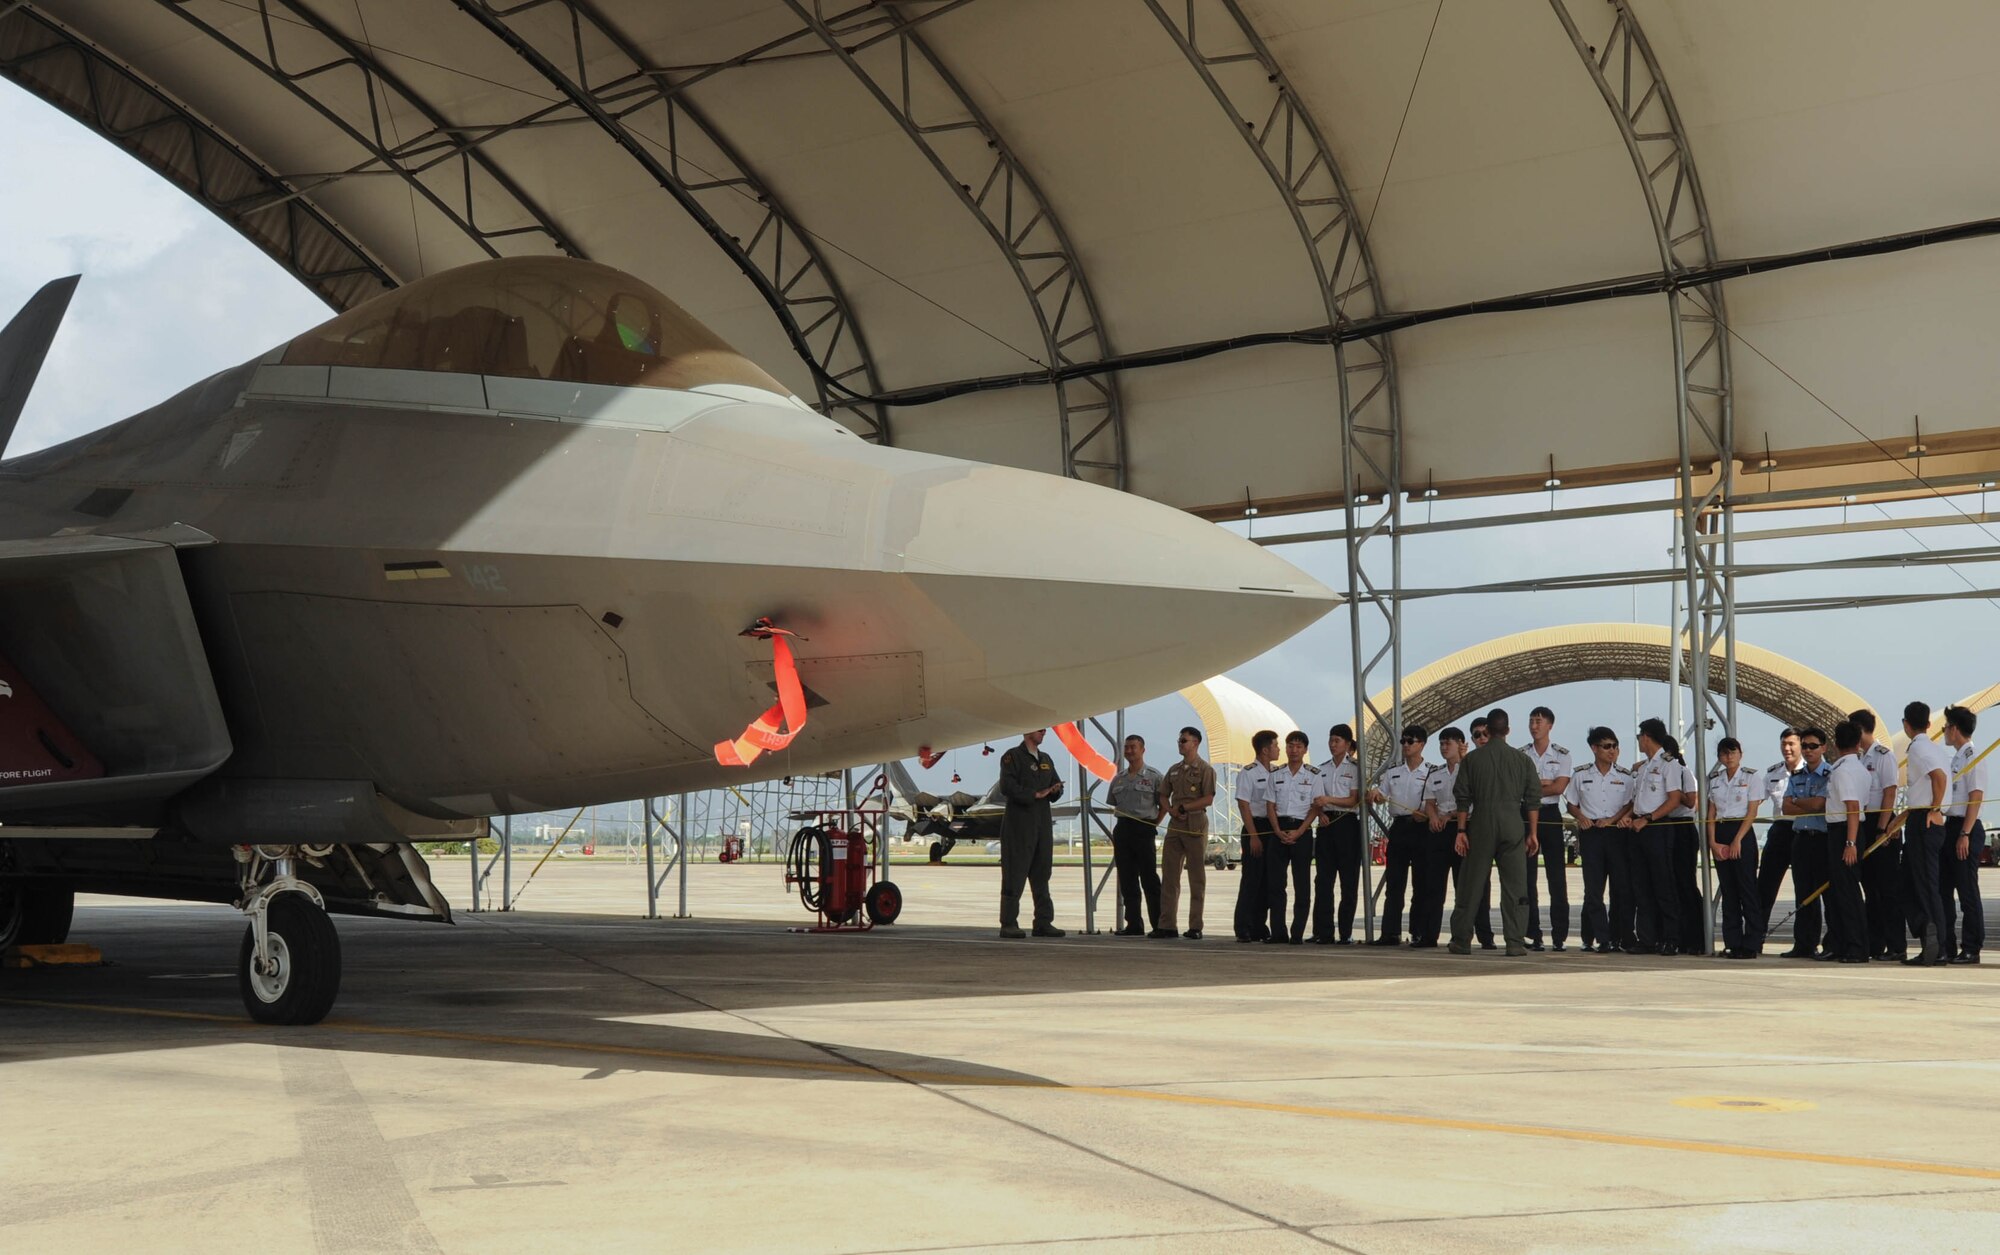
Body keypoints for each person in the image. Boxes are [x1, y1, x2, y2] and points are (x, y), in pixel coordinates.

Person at [1448, 708, 1542, 956]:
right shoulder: (1522, 760)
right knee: (1515, 886)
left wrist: (1460, 830)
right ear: (1508, 730)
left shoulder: (1472, 760)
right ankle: (1515, 942)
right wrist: (1532, 833)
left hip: (1481, 823)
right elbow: (1533, 800)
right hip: (1513, 823)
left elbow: (1462, 799)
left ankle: (1461, 940)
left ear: (1487, 731)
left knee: (1471, 883)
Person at [1563, 726, 1634, 953]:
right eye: (1606, 746)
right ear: (1594, 748)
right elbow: (1571, 803)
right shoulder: (1581, 775)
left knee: (1620, 888)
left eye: (1614, 746)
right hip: (1592, 833)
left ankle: (1617, 936)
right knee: (1593, 889)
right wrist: (1581, 817)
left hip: (1616, 834)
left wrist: (1613, 819)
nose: (1611, 751)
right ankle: (1596, 937)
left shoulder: (1624, 776)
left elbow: (1630, 804)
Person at [998, 729, 1065, 938]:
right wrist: (1033, 794)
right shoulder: (1012, 757)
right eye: (1040, 729)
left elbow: (1056, 782)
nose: (1044, 732)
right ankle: (1008, 922)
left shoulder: (1046, 759)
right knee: (1015, 873)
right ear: (1028, 732)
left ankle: (1043, 922)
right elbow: (1006, 786)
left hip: (1042, 822)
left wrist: (1055, 790)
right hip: (1019, 823)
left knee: (1042, 871)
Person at [1624, 718, 1683, 956]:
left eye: (1640, 736)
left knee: (1663, 885)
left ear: (1646, 736)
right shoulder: (1643, 766)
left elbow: (1674, 799)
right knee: (1641, 886)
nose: (1638, 740)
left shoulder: (1669, 764)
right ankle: (1647, 938)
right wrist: (1631, 817)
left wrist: (1647, 818)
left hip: (1657, 828)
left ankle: (1671, 938)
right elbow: (1637, 799)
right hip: (1637, 829)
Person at [1368, 724, 1432, 946]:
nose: (1405, 745)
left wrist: (1425, 813)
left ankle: (1418, 932)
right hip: (1399, 828)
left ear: (1422, 744)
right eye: (1403, 741)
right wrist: (1376, 795)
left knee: (1421, 884)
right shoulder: (1392, 772)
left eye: (1410, 741)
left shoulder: (1431, 772)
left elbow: (1436, 801)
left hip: (1422, 829)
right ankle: (1390, 932)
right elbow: (1381, 794)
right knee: (1395, 882)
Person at [1898, 701, 1951, 966]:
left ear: (1906, 724)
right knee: (1911, 882)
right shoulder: (1934, 747)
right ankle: (1928, 935)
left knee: (1925, 885)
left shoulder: (1918, 747)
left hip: (1925, 821)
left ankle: (1936, 945)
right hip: (1919, 816)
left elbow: (1939, 778)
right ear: (1929, 725)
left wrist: (1934, 809)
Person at [1851, 708, 1903, 960]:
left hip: (1881, 822)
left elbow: (1890, 792)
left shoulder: (1884, 756)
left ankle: (1896, 945)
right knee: (1870, 889)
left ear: (1860, 730)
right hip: (1864, 821)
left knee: (1888, 890)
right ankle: (1875, 942)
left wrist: (1883, 828)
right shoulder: (1860, 758)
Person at [1707, 736, 1764, 959]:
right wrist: (1712, 842)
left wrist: (1738, 839)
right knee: (1729, 891)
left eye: (1732, 752)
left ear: (1740, 754)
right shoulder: (1715, 780)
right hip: (1721, 830)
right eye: (1724, 753)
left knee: (1747, 889)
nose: (1728, 757)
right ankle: (1732, 941)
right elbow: (1711, 813)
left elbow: (1752, 812)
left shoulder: (1751, 777)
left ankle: (1751, 942)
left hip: (1742, 831)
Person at [1157, 726, 1216, 940]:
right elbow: (1163, 794)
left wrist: (1185, 808)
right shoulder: (1174, 770)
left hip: (1195, 822)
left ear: (1195, 743)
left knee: (1196, 877)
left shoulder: (1205, 769)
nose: (1180, 744)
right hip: (1175, 824)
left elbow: (1208, 798)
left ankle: (1195, 926)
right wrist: (1171, 809)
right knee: (1170, 876)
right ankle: (1167, 925)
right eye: (1179, 740)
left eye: (1184, 740)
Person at [1522, 706, 1574, 951]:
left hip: (1551, 815)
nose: (1534, 726)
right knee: (1527, 878)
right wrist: (1544, 784)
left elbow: (1559, 788)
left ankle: (1559, 935)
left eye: (1539, 721)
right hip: (1525, 814)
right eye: (1532, 721)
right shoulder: (1521, 754)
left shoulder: (1562, 755)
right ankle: (1533, 933)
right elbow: (1519, 789)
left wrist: (1537, 786)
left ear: (1550, 725)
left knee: (1557, 878)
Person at [1821, 720, 1872, 963]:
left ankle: (1856, 947)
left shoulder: (1843, 771)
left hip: (1844, 831)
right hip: (1847, 829)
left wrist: (1850, 843)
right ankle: (1845, 943)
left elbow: (1852, 807)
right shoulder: (1858, 768)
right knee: (1843, 892)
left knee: (1848, 893)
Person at [1106, 734, 1165, 938]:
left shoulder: (1154, 776)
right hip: (1123, 829)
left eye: (1134, 747)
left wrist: (1153, 824)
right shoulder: (1119, 778)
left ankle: (1159, 923)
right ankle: (1133, 924)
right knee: (1127, 878)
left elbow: (1164, 804)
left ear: (1143, 750)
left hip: (1144, 828)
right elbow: (1113, 801)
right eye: (1127, 747)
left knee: (1149, 878)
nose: (1130, 751)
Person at [1413, 726, 1467, 948]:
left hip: (1461, 828)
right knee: (1433, 886)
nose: (1444, 748)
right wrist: (1434, 817)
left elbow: (1471, 802)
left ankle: (1460, 935)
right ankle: (1429, 935)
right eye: (1442, 744)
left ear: (1460, 745)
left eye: (1449, 744)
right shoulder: (1435, 774)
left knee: (1461, 886)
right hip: (1438, 832)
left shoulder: (1469, 770)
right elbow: (1430, 801)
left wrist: (1449, 816)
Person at [1939, 704, 1986, 964]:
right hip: (1951, 826)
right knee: (1944, 889)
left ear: (1955, 729)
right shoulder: (1957, 757)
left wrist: (1965, 834)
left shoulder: (1973, 756)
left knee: (1967, 891)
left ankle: (1971, 947)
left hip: (1965, 827)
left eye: (1946, 727)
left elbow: (1975, 797)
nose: (1944, 731)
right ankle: (1947, 944)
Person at [1265, 731, 1321, 944]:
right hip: (1278, 829)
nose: (1294, 750)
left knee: (1302, 884)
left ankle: (1297, 933)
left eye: (1298, 746)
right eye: (1290, 746)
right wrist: (1277, 830)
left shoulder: (1313, 775)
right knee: (1276, 884)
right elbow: (1270, 805)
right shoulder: (1276, 774)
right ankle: (1278, 932)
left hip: (1302, 830)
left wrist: (1299, 831)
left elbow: (1316, 807)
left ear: (1305, 750)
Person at [1781, 728, 1832, 959]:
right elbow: (1786, 807)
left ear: (1823, 748)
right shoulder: (1797, 776)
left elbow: (1818, 806)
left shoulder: (1830, 774)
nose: (1809, 750)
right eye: (1806, 746)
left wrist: (1800, 802)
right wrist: (1806, 803)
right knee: (1803, 893)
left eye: (1813, 746)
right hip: (1801, 838)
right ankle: (1804, 943)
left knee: (1827, 894)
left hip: (1823, 839)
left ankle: (1831, 943)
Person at [1311, 725, 1363, 944]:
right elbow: (1316, 799)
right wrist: (1321, 811)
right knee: (1323, 881)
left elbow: (1354, 799)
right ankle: (1323, 931)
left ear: (1348, 744)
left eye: (1337, 741)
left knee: (1348, 882)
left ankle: (1345, 932)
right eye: (1331, 740)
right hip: (1326, 824)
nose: (1333, 745)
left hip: (1347, 824)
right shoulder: (1322, 769)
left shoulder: (1355, 768)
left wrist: (1329, 800)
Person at [1454, 716, 1498, 948]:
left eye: (1485, 733)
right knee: (1467, 884)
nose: (1482, 738)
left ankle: (1485, 934)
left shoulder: (1499, 760)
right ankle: (1462, 934)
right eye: (1477, 735)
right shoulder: (1468, 762)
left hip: (1490, 824)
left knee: (1484, 884)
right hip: (1467, 825)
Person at [1660, 733, 1705, 955]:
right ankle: (1676, 934)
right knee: (1671, 884)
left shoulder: (1683, 771)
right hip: (1666, 826)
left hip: (1683, 826)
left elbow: (1691, 801)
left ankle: (1696, 936)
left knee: (1686, 883)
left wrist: (1673, 793)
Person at [1233, 729, 1279, 942]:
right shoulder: (1248, 773)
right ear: (1264, 750)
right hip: (1256, 827)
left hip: (1273, 828)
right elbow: (1244, 804)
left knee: (1268, 880)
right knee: (1252, 879)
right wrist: (1253, 836)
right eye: (1275, 745)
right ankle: (1243, 926)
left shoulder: (1278, 772)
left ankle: (1259, 925)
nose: (1278, 749)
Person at [1757, 729, 1804, 934]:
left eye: (1792, 744)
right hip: (1780, 830)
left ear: (1800, 745)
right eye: (1784, 744)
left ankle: (1805, 942)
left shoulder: (1812, 771)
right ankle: (1755, 937)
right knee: (1765, 886)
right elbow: (1755, 800)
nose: (1787, 748)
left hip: (1802, 830)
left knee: (1804, 888)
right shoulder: (1772, 773)